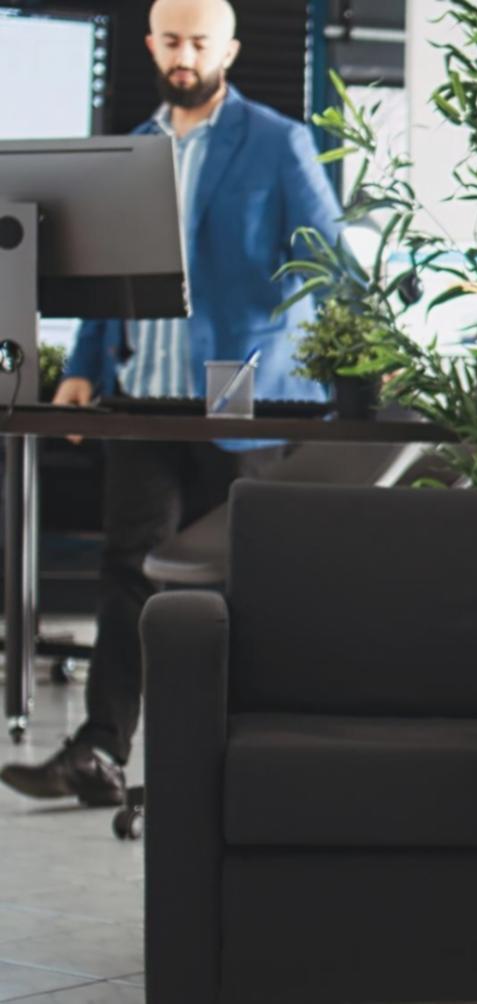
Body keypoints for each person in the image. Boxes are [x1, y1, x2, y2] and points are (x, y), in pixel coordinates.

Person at [1, 0, 340, 806]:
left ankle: (238, 755)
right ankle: (100, 752)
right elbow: (98, 268)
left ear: (228, 46)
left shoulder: (278, 140)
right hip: (144, 394)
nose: (185, 56)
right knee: (128, 570)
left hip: (242, 397)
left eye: (199, 41)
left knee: (242, 579)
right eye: (172, 41)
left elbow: (332, 258)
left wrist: (333, 349)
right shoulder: (138, 148)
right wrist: (82, 365)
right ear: (152, 46)